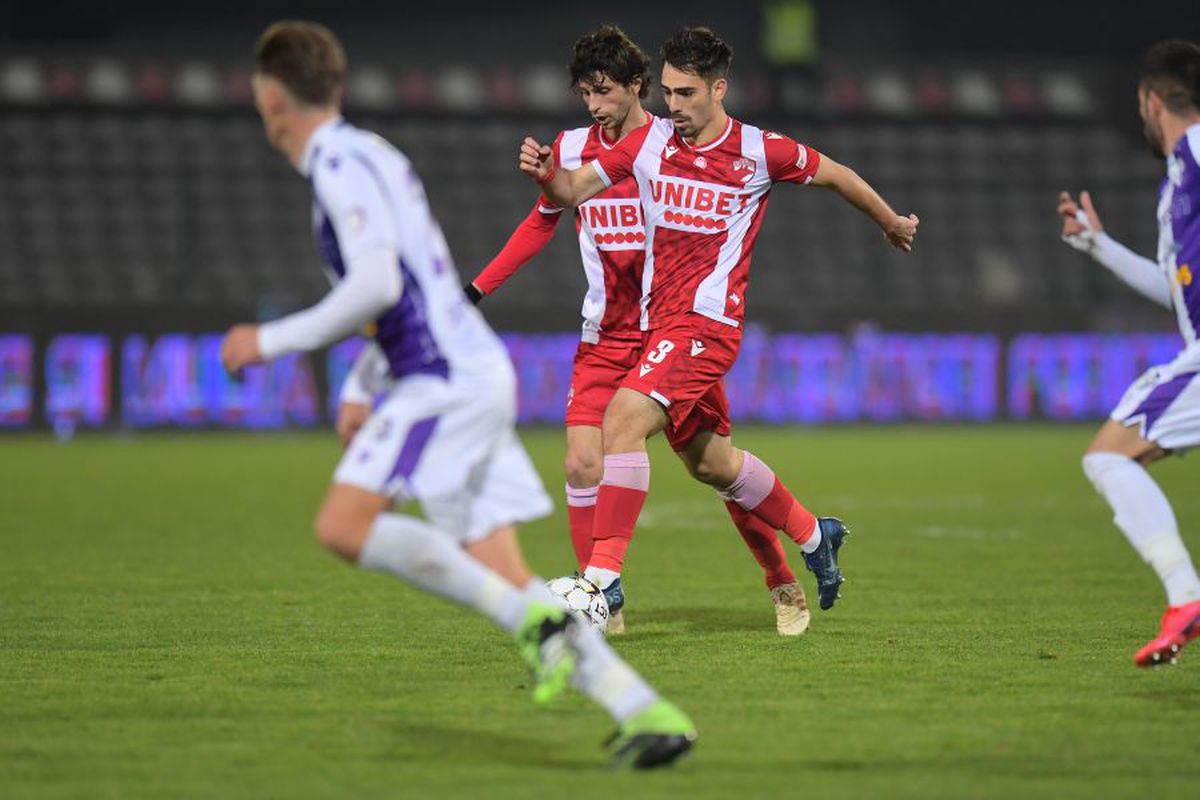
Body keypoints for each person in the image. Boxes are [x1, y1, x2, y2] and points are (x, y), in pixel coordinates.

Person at [219, 20, 695, 767]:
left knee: (343, 525)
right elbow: (417, 286)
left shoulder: (339, 165)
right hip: (467, 372)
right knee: (504, 567)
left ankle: (538, 625)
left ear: (272, 97)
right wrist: (362, 382)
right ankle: (647, 712)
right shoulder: (375, 154)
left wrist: (269, 341)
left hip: (441, 383)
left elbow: (377, 286)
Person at [518, 27, 918, 621]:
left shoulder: (759, 151)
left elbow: (835, 173)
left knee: (621, 422)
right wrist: (546, 174)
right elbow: (574, 189)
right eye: (668, 92)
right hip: (660, 329)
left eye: (686, 93)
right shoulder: (649, 144)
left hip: (706, 326)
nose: (673, 105)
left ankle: (601, 582)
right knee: (713, 463)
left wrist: (890, 222)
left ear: (718, 88)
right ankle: (816, 534)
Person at [464, 25, 810, 636]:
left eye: (603, 90)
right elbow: (545, 217)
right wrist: (476, 290)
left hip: (668, 332)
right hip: (604, 337)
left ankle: (781, 578)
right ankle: (602, 603)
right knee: (581, 464)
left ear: (636, 86)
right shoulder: (572, 150)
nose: (593, 104)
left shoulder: (671, 144)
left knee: (714, 466)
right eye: (584, 93)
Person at [1059, 39, 1200, 667]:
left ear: (1152, 101)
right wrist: (1100, 245)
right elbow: (1174, 291)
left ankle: (1186, 596)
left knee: (1109, 456)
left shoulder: (1195, 151)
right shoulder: (1177, 188)